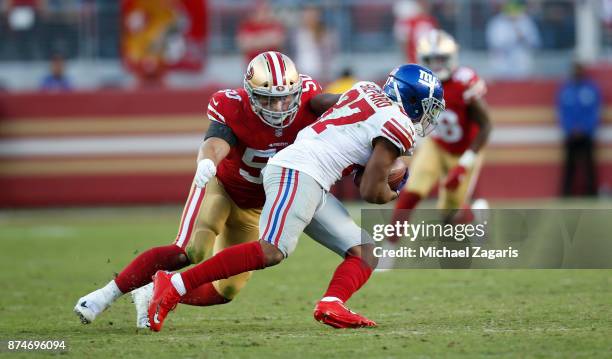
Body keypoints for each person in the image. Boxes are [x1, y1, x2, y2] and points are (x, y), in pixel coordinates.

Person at [146, 64, 445, 331]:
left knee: (364, 251)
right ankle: (174, 283)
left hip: (312, 176)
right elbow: (369, 191)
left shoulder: (365, 89)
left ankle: (332, 303)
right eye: (428, 107)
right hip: (299, 170)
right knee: (272, 250)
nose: (430, 116)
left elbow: (331, 116)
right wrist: (391, 191)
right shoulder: (400, 124)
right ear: (413, 102)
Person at [74, 51, 340, 328]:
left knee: (225, 291)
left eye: (285, 97)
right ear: (250, 94)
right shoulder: (232, 105)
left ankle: (152, 290)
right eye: (268, 99)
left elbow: (338, 111)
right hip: (222, 189)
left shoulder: (310, 98)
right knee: (189, 251)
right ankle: (103, 296)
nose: (279, 107)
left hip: (255, 207)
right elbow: (215, 142)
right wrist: (207, 162)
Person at [392, 29, 491, 232]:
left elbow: (487, 125)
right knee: (412, 192)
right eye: (431, 59)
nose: (437, 65)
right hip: (436, 145)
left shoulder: (464, 81)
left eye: (441, 59)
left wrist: (464, 164)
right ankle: (388, 249)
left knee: (448, 214)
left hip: (465, 150)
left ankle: (475, 214)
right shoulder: (417, 84)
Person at [557, 62, 601, 196]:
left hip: (587, 134)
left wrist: (585, 128)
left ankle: (591, 192)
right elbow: (562, 112)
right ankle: (566, 193)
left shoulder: (591, 88)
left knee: (589, 164)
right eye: (575, 70)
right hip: (571, 134)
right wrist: (571, 128)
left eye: (579, 69)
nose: (577, 72)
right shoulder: (565, 90)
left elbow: (594, 111)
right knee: (569, 165)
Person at [485, 1, 540, 79]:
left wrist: (523, 38)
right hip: (501, 67)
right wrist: (513, 39)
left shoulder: (526, 22)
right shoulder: (497, 23)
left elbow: (535, 43)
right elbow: (494, 44)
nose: (513, 14)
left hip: (522, 67)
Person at [294, 5, 336, 82]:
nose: (310, 18)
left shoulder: (325, 34)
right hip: (301, 71)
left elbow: (329, 54)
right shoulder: (297, 33)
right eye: (308, 15)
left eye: (313, 15)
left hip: (319, 73)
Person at [236, 1, 285, 65]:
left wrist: (254, 40)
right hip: (254, 66)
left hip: (273, 66)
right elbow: (244, 45)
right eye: (260, 10)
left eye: (266, 10)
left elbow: (278, 41)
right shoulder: (247, 25)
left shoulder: (275, 24)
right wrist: (268, 38)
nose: (263, 13)